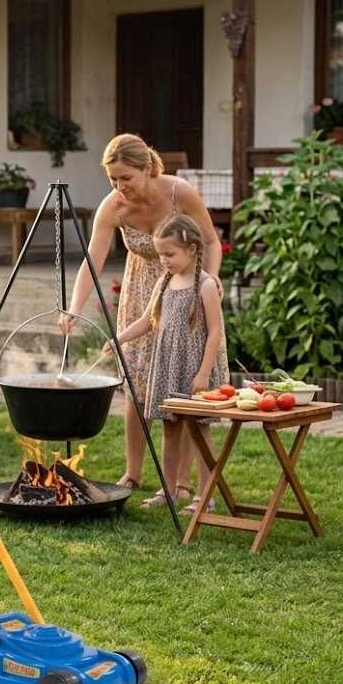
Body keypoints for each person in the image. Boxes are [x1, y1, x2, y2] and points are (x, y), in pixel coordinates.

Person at [59, 134, 221, 497]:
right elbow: (93, 259)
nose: (119, 187)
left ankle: (180, 483)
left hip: (185, 293)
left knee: (177, 386)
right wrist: (75, 307)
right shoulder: (113, 206)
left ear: (147, 168)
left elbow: (210, 241)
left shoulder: (180, 194)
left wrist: (207, 283)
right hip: (139, 298)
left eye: (126, 178)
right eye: (112, 179)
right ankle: (133, 474)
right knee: (136, 385)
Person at [105, 215, 229, 514]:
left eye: (169, 254)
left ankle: (204, 496)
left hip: (194, 368)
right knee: (170, 430)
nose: (164, 260)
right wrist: (117, 339)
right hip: (168, 366)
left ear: (192, 250)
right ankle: (170, 491)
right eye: (161, 254)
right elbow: (148, 321)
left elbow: (215, 332)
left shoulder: (206, 285)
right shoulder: (165, 281)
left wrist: (202, 374)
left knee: (200, 431)